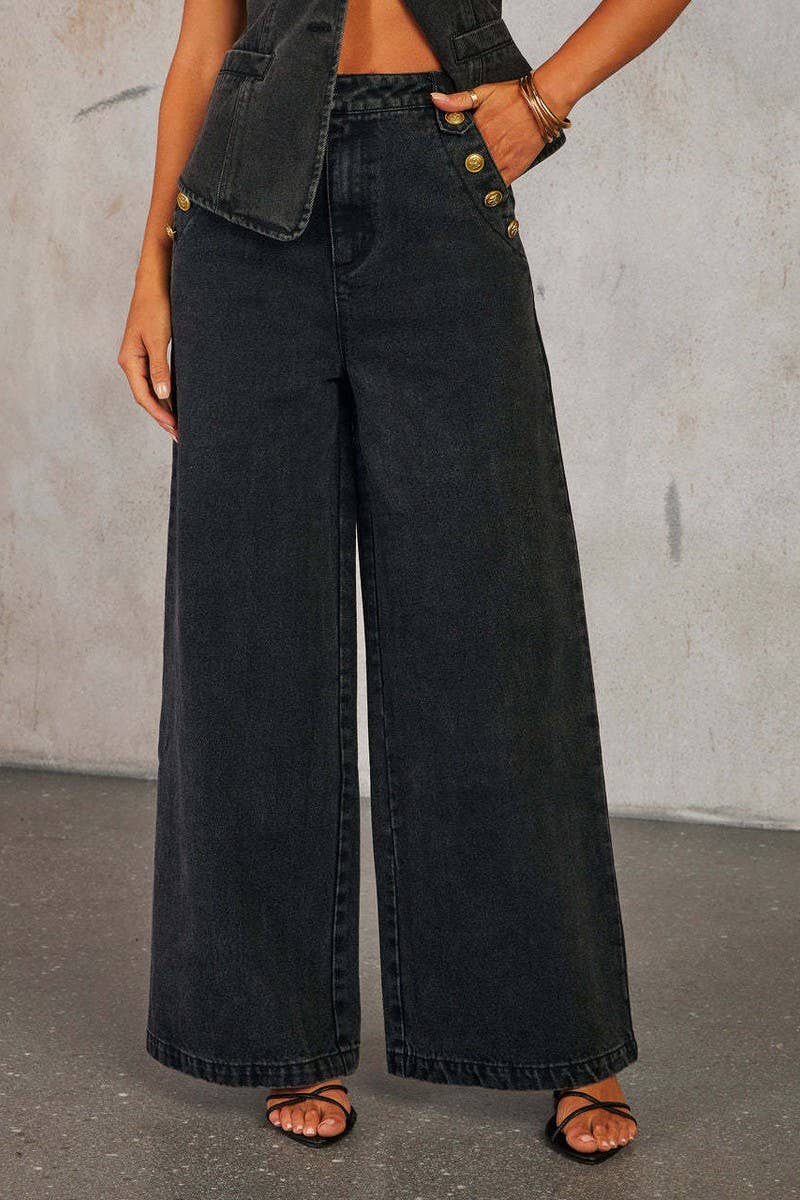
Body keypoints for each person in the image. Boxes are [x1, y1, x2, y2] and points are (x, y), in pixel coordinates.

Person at [118, 0, 691, 1165]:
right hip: (241, 214)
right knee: (250, 635)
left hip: (440, 175)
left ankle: (562, 1034)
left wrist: (542, 101)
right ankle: (281, 1030)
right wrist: (151, 267)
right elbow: (205, 43)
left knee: (494, 624)